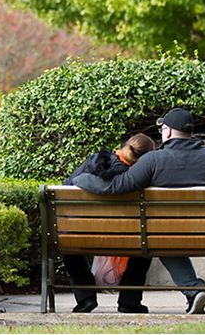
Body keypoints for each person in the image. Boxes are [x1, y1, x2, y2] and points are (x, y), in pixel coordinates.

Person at [73, 108, 205, 315]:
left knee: (159, 239)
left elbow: (116, 186)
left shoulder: (152, 160)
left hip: (169, 236)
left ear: (168, 132)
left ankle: (192, 291)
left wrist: (79, 179)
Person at [64, 133, 155, 314]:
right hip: (127, 237)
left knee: (69, 248)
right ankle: (130, 301)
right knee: (145, 247)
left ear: (126, 146)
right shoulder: (138, 177)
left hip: (84, 232)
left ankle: (85, 298)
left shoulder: (92, 164)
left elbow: (67, 185)